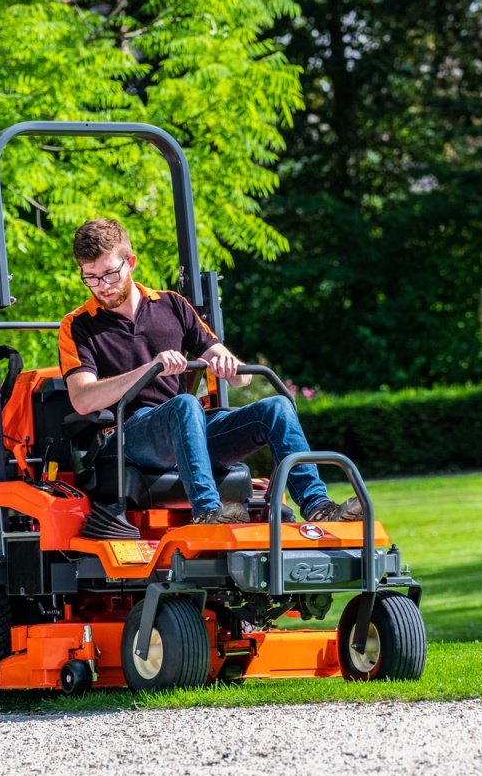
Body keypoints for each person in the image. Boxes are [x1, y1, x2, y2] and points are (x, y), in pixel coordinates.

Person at [59, 217, 361, 538]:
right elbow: (82, 398)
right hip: (129, 436)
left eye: (109, 274)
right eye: (90, 278)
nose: (103, 286)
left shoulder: (172, 305)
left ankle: (318, 506)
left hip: (187, 428)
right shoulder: (78, 325)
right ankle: (209, 513)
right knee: (185, 405)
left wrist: (229, 368)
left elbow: (236, 375)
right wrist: (149, 369)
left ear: (130, 263)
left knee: (276, 408)